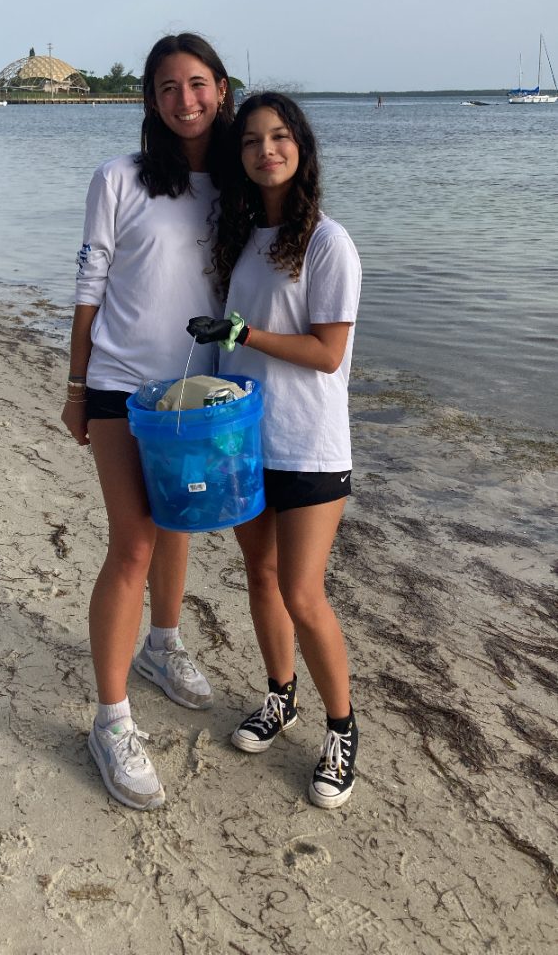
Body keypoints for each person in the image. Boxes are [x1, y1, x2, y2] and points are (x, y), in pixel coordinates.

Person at [62, 33, 233, 811]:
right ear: (150, 101)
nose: (184, 100)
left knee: (180, 522)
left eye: (196, 84)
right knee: (131, 541)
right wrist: (74, 384)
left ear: (221, 90)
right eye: (167, 88)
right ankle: (110, 719)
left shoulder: (237, 184)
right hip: (119, 386)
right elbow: (89, 285)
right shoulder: (119, 178)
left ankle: (162, 647)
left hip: (196, 391)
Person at [188, 92, 361, 809]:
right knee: (259, 578)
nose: (267, 150)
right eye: (253, 140)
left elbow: (326, 353)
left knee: (300, 591)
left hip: (310, 445)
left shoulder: (326, 242)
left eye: (280, 136)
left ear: (301, 147)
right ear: (240, 156)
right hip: (242, 439)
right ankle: (279, 695)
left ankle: (342, 729)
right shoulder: (237, 238)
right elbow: (226, 350)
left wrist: (243, 335)